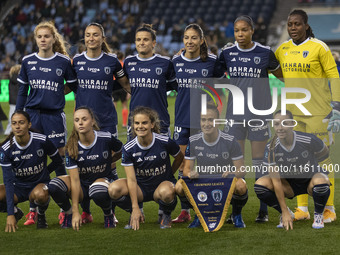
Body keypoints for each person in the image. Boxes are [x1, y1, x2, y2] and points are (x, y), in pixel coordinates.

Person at [275, 9, 340, 222]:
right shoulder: (282, 49)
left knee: (323, 161)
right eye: (290, 24)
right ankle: (302, 208)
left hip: (318, 113)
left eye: (297, 24)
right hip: (293, 116)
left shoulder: (319, 47)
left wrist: (337, 107)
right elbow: (274, 69)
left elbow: (334, 75)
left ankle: (328, 208)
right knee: (297, 161)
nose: (293, 28)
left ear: (306, 25)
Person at [219, 15, 283, 223]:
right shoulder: (227, 53)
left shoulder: (265, 53)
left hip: (258, 115)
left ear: (252, 30)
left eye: (244, 30)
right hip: (234, 115)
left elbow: (282, 75)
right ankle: (235, 212)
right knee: (236, 164)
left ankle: (263, 211)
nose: (240, 34)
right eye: (237, 30)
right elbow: (214, 73)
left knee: (259, 163)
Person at [15, 21, 77, 225]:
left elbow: (73, 86)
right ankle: (34, 208)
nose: (43, 39)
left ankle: (63, 208)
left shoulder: (63, 61)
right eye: (39, 36)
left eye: (46, 36)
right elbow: (23, 92)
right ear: (35, 39)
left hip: (54, 116)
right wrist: (19, 116)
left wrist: (59, 94)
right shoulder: (28, 61)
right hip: (33, 116)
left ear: (53, 38)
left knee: (59, 157)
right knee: (34, 158)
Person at [71, 22, 130, 224]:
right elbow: (69, 86)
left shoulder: (112, 61)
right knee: (82, 164)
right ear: (84, 38)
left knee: (109, 164)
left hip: (105, 120)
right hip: (82, 122)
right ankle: (85, 211)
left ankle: (109, 212)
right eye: (88, 35)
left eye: (95, 35)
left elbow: (126, 85)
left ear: (102, 38)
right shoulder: (76, 61)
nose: (91, 38)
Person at [172, 23, 225, 223]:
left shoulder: (212, 61)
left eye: (194, 38)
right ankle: (185, 210)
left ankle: (202, 209)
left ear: (201, 40)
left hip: (204, 122)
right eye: (186, 38)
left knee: (201, 166)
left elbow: (221, 85)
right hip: (182, 121)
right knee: (181, 165)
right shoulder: (176, 60)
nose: (189, 41)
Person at [108, 107, 184, 230]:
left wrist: (170, 174)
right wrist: (135, 207)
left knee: (168, 192)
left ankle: (165, 214)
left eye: (144, 123)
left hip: (160, 186)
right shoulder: (128, 149)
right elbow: (131, 180)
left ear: (152, 124)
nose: (140, 126)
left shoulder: (164, 142)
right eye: (137, 123)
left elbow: (179, 157)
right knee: (113, 189)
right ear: (133, 125)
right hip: (140, 188)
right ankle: (135, 214)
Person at [48, 107, 123, 230]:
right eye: (77, 120)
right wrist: (75, 211)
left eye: (84, 119)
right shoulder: (71, 146)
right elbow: (75, 180)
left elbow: (121, 150)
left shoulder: (106, 138)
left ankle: (108, 214)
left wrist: (110, 161)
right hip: (81, 186)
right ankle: (67, 212)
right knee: (54, 185)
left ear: (92, 121)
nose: (80, 123)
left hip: (101, 183)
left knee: (97, 190)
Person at [175, 102, 248, 228]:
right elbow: (186, 170)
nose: (207, 124)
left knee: (241, 186)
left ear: (218, 122)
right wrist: (190, 174)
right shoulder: (193, 141)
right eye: (203, 120)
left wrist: (232, 173)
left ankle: (236, 215)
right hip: (203, 182)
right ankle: (199, 215)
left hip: (224, 181)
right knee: (179, 187)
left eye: (211, 120)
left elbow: (242, 170)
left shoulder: (230, 140)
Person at [254, 110, 331, 230]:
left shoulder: (308, 140)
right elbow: (276, 181)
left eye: (285, 123)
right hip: (288, 185)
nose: (280, 128)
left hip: (310, 182)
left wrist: (314, 168)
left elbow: (324, 153)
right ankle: (287, 213)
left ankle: (318, 215)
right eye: (276, 124)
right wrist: (284, 211)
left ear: (292, 124)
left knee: (322, 179)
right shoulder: (271, 148)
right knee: (260, 184)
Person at [0, 110, 65, 232]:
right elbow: (8, 182)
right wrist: (10, 214)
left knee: (41, 195)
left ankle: (41, 215)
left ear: (29, 124)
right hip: (18, 188)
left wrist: (45, 172)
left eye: (21, 122)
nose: (18, 126)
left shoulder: (42, 141)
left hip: (38, 185)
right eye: (14, 123)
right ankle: (16, 212)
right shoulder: (6, 149)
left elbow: (58, 160)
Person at [123, 23, 177, 140]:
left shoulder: (165, 63)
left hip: (159, 120)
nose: (141, 43)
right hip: (136, 122)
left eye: (145, 39)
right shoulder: (129, 62)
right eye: (138, 40)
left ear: (153, 43)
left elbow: (175, 86)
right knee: (133, 157)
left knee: (161, 157)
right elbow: (125, 84)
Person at [5, 64, 20, 136]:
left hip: (15, 100)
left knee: (14, 116)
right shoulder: (14, 77)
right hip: (15, 100)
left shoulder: (13, 77)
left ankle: (9, 130)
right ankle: (8, 131)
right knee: (12, 116)